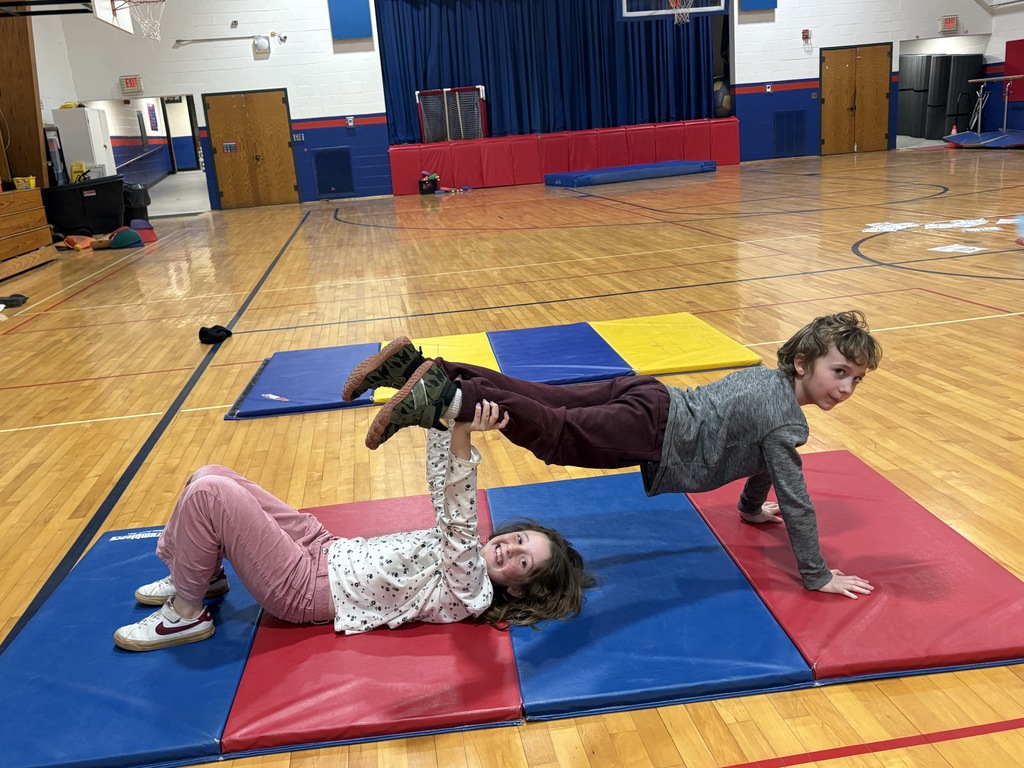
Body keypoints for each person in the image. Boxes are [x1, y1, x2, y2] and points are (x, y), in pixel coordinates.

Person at [344, 310, 882, 599]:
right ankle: (444, 399)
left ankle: (419, 367)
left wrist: (746, 510)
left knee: (540, 396)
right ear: (803, 362)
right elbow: (797, 497)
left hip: (648, 394)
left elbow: (760, 458)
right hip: (654, 430)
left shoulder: (768, 384)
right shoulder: (787, 421)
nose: (846, 389)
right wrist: (816, 575)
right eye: (839, 373)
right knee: (555, 434)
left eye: (856, 380)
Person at [114, 401, 594, 652]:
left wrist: (465, 436)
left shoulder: (473, 592)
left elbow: (458, 517)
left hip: (305, 589)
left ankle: (187, 614)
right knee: (210, 475)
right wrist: (443, 423)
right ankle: (204, 575)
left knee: (209, 497)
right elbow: (442, 494)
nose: (509, 549)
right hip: (324, 548)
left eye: (523, 560)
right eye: (517, 539)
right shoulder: (467, 555)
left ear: (520, 590)